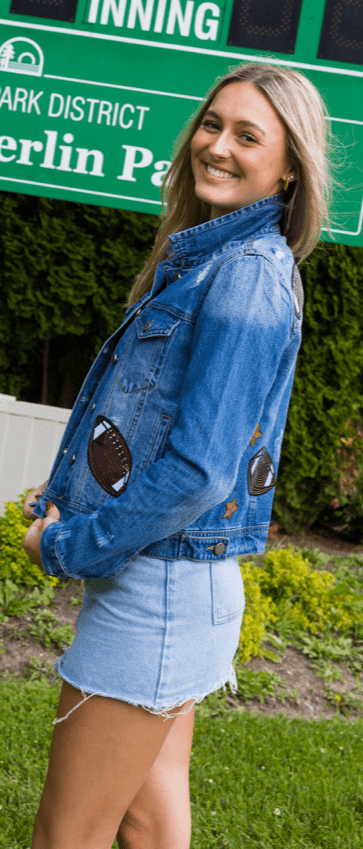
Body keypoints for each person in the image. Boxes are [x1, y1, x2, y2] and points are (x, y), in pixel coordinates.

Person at [23, 62, 331, 849]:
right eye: (210, 123)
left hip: (156, 594)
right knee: (149, 824)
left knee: (68, 835)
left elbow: (199, 469)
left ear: (288, 163)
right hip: (174, 589)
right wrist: (67, 497)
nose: (216, 145)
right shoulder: (213, 264)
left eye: (246, 134)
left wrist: (65, 543)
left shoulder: (244, 279)